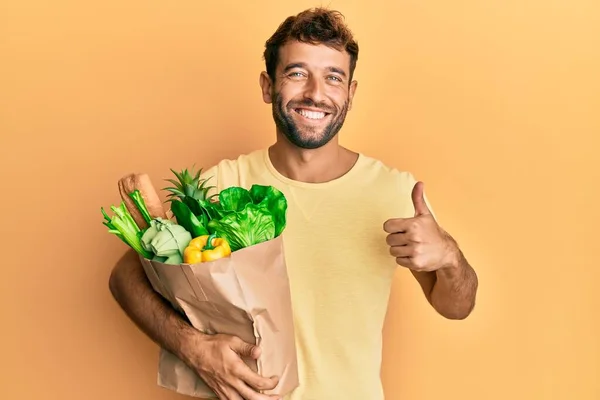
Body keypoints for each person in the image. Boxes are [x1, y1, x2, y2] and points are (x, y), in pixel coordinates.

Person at [108, 7, 478, 400]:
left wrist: (449, 257)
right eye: (297, 73)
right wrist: (191, 347)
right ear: (268, 86)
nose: (316, 93)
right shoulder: (221, 185)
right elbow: (124, 277)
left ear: (350, 94)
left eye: (333, 78)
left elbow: (456, 306)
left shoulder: (394, 191)